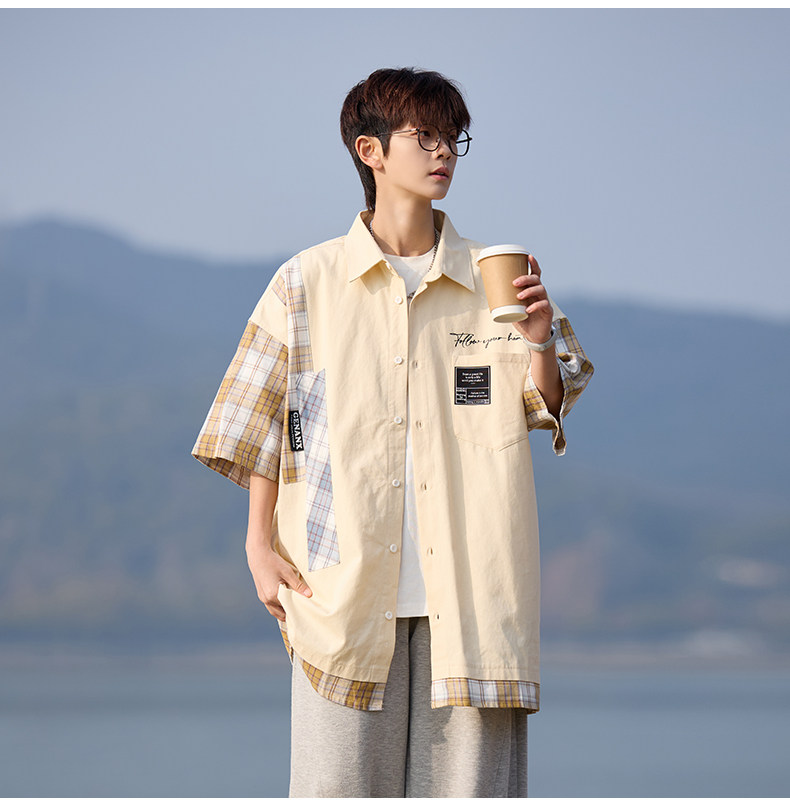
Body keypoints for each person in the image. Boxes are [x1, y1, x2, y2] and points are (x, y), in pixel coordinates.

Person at [192, 67, 593, 798]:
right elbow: (261, 423)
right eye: (424, 136)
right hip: (338, 601)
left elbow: (547, 405)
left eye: (452, 138)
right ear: (370, 150)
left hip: (474, 600)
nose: (443, 153)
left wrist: (537, 341)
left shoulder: (495, 277)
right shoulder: (305, 282)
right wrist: (257, 546)